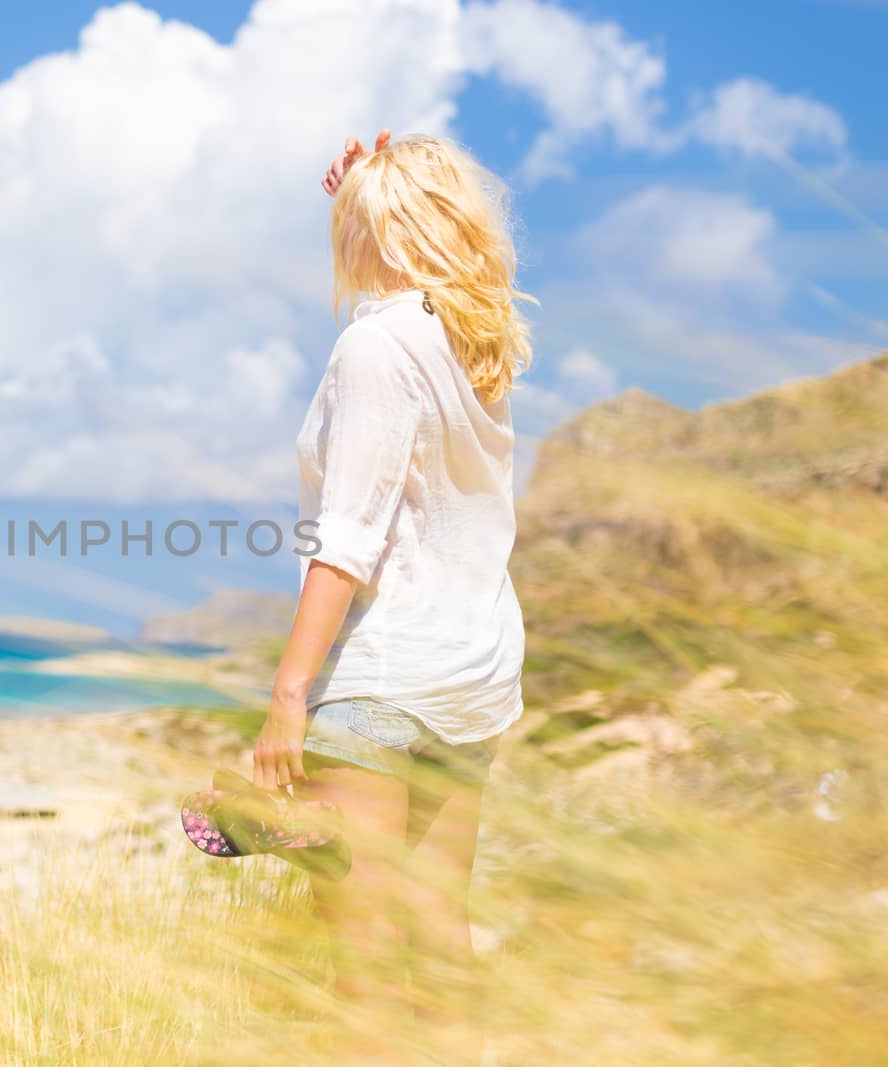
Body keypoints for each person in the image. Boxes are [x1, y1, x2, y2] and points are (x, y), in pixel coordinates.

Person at [258, 129, 532, 1049]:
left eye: (352, 225)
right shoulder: (478, 347)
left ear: (378, 230)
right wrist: (367, 188)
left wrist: (290, 693)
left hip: (387, 678)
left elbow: (349, 535)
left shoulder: (375, 348)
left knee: (361, 956)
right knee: (437, 932)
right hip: (474, 676)